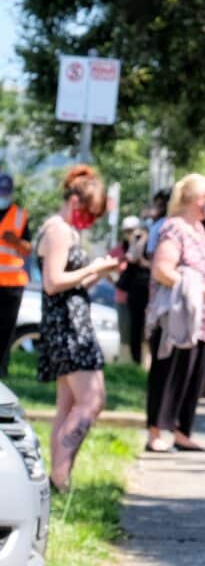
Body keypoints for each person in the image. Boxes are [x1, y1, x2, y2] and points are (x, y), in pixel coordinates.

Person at [35, 165, 118, 490]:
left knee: (68, 406)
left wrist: (100, 271)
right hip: (68, 327)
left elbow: (70, 282)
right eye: (88, 213)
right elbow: (54, 283)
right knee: (91, 401)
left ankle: (58, 477)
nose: (90, 221)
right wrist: (93, 268)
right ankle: (60, 476)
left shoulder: (66, 230)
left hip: (71, 323)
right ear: (73, 201)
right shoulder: (58, 230)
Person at [145, 174, 205, 453]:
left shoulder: (200, 230)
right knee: (168, 373)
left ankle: (181, 431)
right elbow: (162, 270)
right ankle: (156, 431)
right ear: (191, 199)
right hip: (177, 319)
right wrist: (197, 288)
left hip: (202, 320)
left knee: (193, 376)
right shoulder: (174, 229)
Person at [0, 173, 32, 377]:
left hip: (12, 284)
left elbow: (28, 248)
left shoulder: (20, 215)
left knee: (5, 330)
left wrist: (14, 241)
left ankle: (2, 369)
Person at [118, 215, 151, 365]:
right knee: (135, 326)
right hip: (134, 290)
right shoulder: (127, 244)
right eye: (127, 231)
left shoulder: (148, 241)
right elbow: (130, 259)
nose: (130, 234)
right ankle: (135, 360)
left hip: (148, 288)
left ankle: (145, 361)